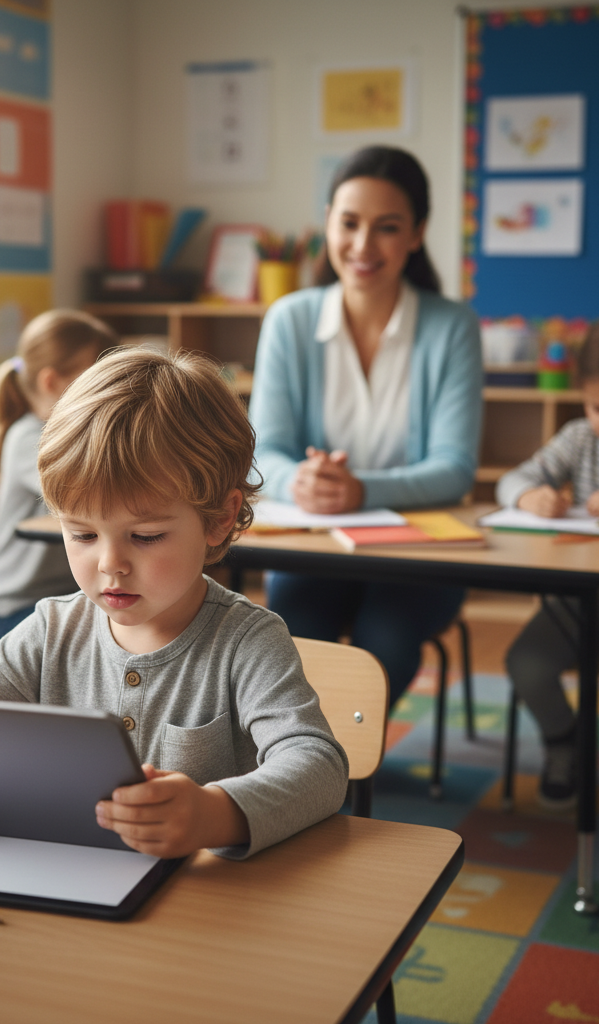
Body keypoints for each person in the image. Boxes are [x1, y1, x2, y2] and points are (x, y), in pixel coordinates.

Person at [0, 348, 349, 859]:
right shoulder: (51, 629)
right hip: (62, 876)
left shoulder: (247, 641)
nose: (111, 564)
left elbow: (318, 765)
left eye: (146, 536)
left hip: (204, 894)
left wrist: (213, 814)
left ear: (220, 519)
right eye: (83, 534)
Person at [248, 146, 483, 707]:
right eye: (349, 222)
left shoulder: (453, 327)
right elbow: (265, 451)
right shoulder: (290, 319)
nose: (363, 245)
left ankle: (336, 759)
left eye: (388, 227)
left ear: (417, 233)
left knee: (386, 643)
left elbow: (454, 468)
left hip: (418, 553)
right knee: (291, 642)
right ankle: (308, 755)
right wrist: (298, 481)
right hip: (315, 547)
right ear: (328, 222)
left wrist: (361, 491)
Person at [499, 312, 599, 817]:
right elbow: (512, 479)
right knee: (526, 663)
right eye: (597, 407)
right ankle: (563, 742)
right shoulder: (579, 438)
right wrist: (529, 496)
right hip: (579, 596)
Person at [0, 310, 117, 642]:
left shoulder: (78, 436)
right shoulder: (30, 438)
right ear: (51, 382)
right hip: (20, 604)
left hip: (75, 595)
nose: (111, 389)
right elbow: (94, 489)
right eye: (96, 377)